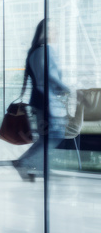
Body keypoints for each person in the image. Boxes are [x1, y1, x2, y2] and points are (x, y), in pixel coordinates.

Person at [13, 20, 70, 181]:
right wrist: (67, 89)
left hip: (38, 100)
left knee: (47, 137)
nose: (55, 32)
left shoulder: (34, 52)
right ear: (44, 32)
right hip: (46, 101)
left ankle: (40, 168)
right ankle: (25, 162)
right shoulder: (47, 51)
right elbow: (49, 75)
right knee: (54, 135)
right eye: (51, 29)